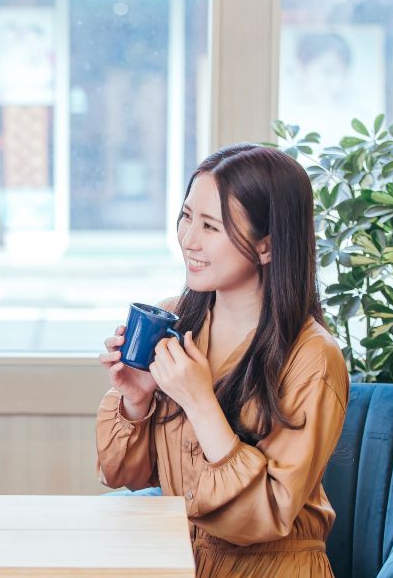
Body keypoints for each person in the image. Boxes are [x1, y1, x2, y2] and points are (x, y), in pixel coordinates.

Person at [96, 144, 348, 577]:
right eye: (187, 216)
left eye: (211, 226)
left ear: (266, 246)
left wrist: (198, 400)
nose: (188, 239)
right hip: (179, 562)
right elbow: (126, 476)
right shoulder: (175, 321)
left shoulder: (313, 357)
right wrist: (137, 402)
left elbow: (266, 515)